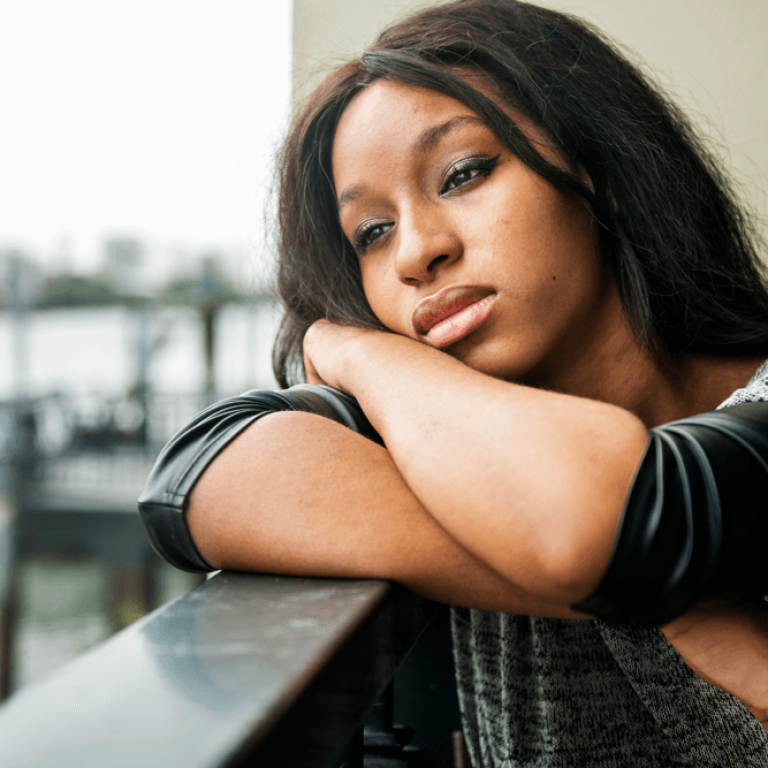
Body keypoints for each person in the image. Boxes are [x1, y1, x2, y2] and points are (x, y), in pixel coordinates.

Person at [138, 0, 768, 764]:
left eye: (464, 174)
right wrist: (364, 352)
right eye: (371, 233)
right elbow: (196, 473)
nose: (415, 254)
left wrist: (630, 552)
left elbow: (603, 519)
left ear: (595, 167)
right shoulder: (441, 436)